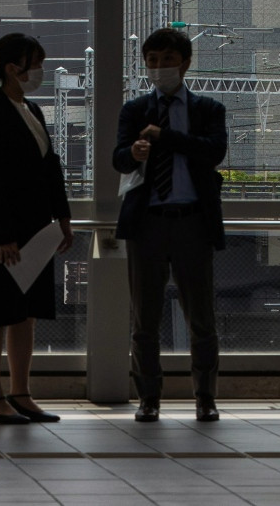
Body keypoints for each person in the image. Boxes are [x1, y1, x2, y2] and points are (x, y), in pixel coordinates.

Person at [113, 27, 228, 423]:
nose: (159, 68)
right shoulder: (135, 111)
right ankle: (148, 398)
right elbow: (118, 160)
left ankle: (205, 397)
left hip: (193, 221)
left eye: (167, 60)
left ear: (185, 63)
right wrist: (134, 150)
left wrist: (167, 137)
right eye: (152, 61)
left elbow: (213, 152)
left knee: (202, 318)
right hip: (148, 224)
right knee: (145, 319)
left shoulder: (207, 109)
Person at [0, 32, 74, 425]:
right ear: (14, 68)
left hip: (37, 229)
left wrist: (64, 218)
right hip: (7, 233)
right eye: (36, 64)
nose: (40, 72)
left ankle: (20, 392)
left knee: (25, 314)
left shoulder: (32, 109)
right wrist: (4, 236)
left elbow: (52, 170)